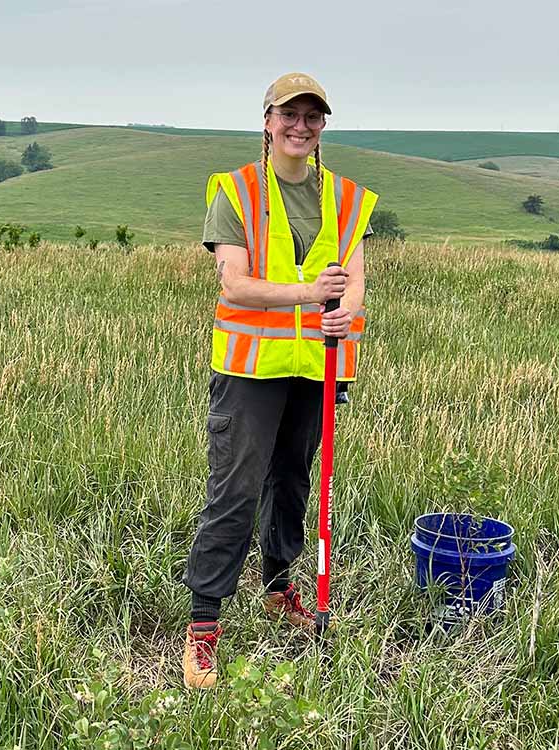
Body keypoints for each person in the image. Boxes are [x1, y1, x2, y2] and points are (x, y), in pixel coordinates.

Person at [182, 72, 378, 689]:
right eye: (289, 115)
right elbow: (235, 284)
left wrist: (348, 313)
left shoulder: (348, 199)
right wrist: (309, 294)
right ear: (267, 121)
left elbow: (354, 279)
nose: (301, 126)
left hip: (317, 365)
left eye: (313, 117)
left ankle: (278, 587)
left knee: (293, 479)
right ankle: (203, 626)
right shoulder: (235, 191)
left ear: (323, 127)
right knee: (235, 491)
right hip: (249, 368)